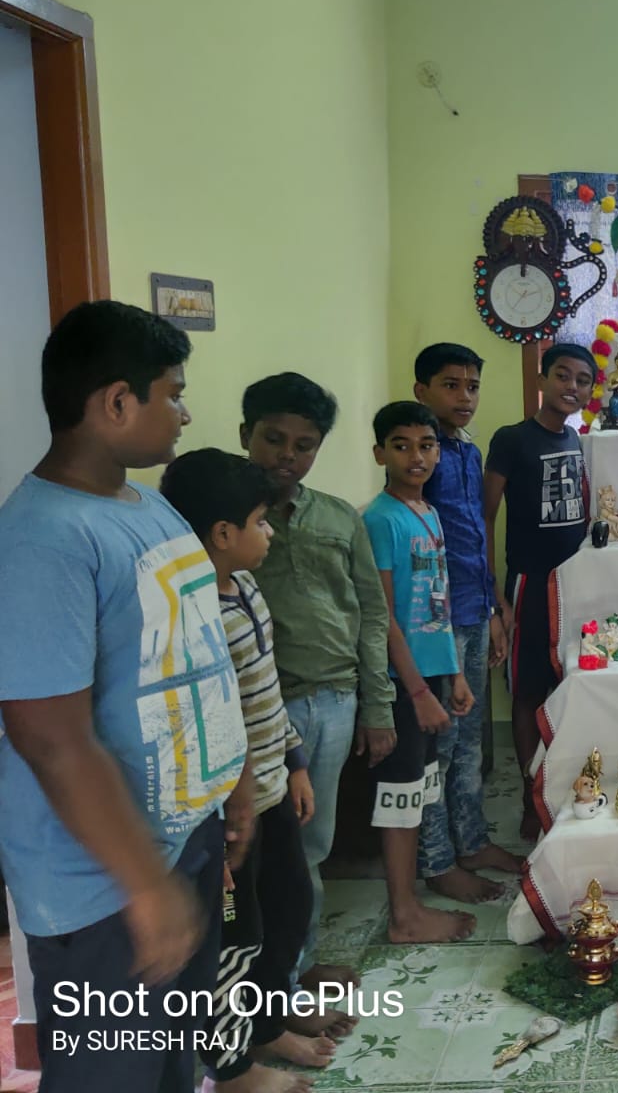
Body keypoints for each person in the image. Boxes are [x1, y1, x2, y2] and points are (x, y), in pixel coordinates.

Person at [0, 302, 249, 1092]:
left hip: (182, 845)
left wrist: (228, 794)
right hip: (105, 889)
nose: (185, 413)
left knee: (173, 1064)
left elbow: (198, 663)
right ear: (116, 402)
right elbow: (51, 739)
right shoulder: (42, 541)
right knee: (113, 1075)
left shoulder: (146, 505)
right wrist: (144, 884)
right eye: (173, 394)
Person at [162, 448, 332, 1090]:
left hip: (271, 789)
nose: (269, 533)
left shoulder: (247, 588)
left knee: (288, 909)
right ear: (222, 533)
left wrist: (294, 761)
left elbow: (266, 691)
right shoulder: (195, 613)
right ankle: (231, 1070)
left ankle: (267, 1026)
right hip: (230, 811)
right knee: (238, 936)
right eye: (261, 522)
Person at [243, 372, 391, 1013]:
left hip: (333, 700)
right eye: (273, 439)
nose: (287, 456)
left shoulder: (337, 517)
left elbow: (371, 613)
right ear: (245, 434)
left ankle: (296, 966)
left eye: (303, 445)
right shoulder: (224, 517)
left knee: (311, 844)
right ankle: (256, 986)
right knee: (252, 850)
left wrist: (378, 706)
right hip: (256, 709)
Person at [362, 402, 478, 944]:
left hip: (432, 676)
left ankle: (410, 904)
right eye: (401, 445)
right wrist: (415, 692)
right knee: (400, 796)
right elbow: (383, 615)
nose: (416, 456)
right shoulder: (380, 519)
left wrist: (453, 675)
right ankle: (403, 914)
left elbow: (440, 602)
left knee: (420, 789)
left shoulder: (427, 513)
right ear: (379, 452)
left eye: (426, 445)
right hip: (402, 682)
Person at [413, 343, 522, 900]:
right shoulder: (420, 454)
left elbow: (477, 534)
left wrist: (495, 607)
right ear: (422, 391)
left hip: (476, 610)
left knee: (472, 741)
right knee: (442, 745)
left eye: (472, 386)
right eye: (450, 385)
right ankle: (437, 860)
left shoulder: (466, 450)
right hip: (438, 620)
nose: (465, 396)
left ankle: (472, 842)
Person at [484, 343, 595, 840]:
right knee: (528, 691)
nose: (571, 387)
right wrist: (496, 593)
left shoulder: (577, 440)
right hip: (529, 582)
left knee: (569, 683)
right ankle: (530, 800)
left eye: (582, 381)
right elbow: (485, 516)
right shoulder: (512, 439)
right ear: (542, 379)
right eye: (562, 376)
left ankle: (564, 786)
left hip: (573, 584)